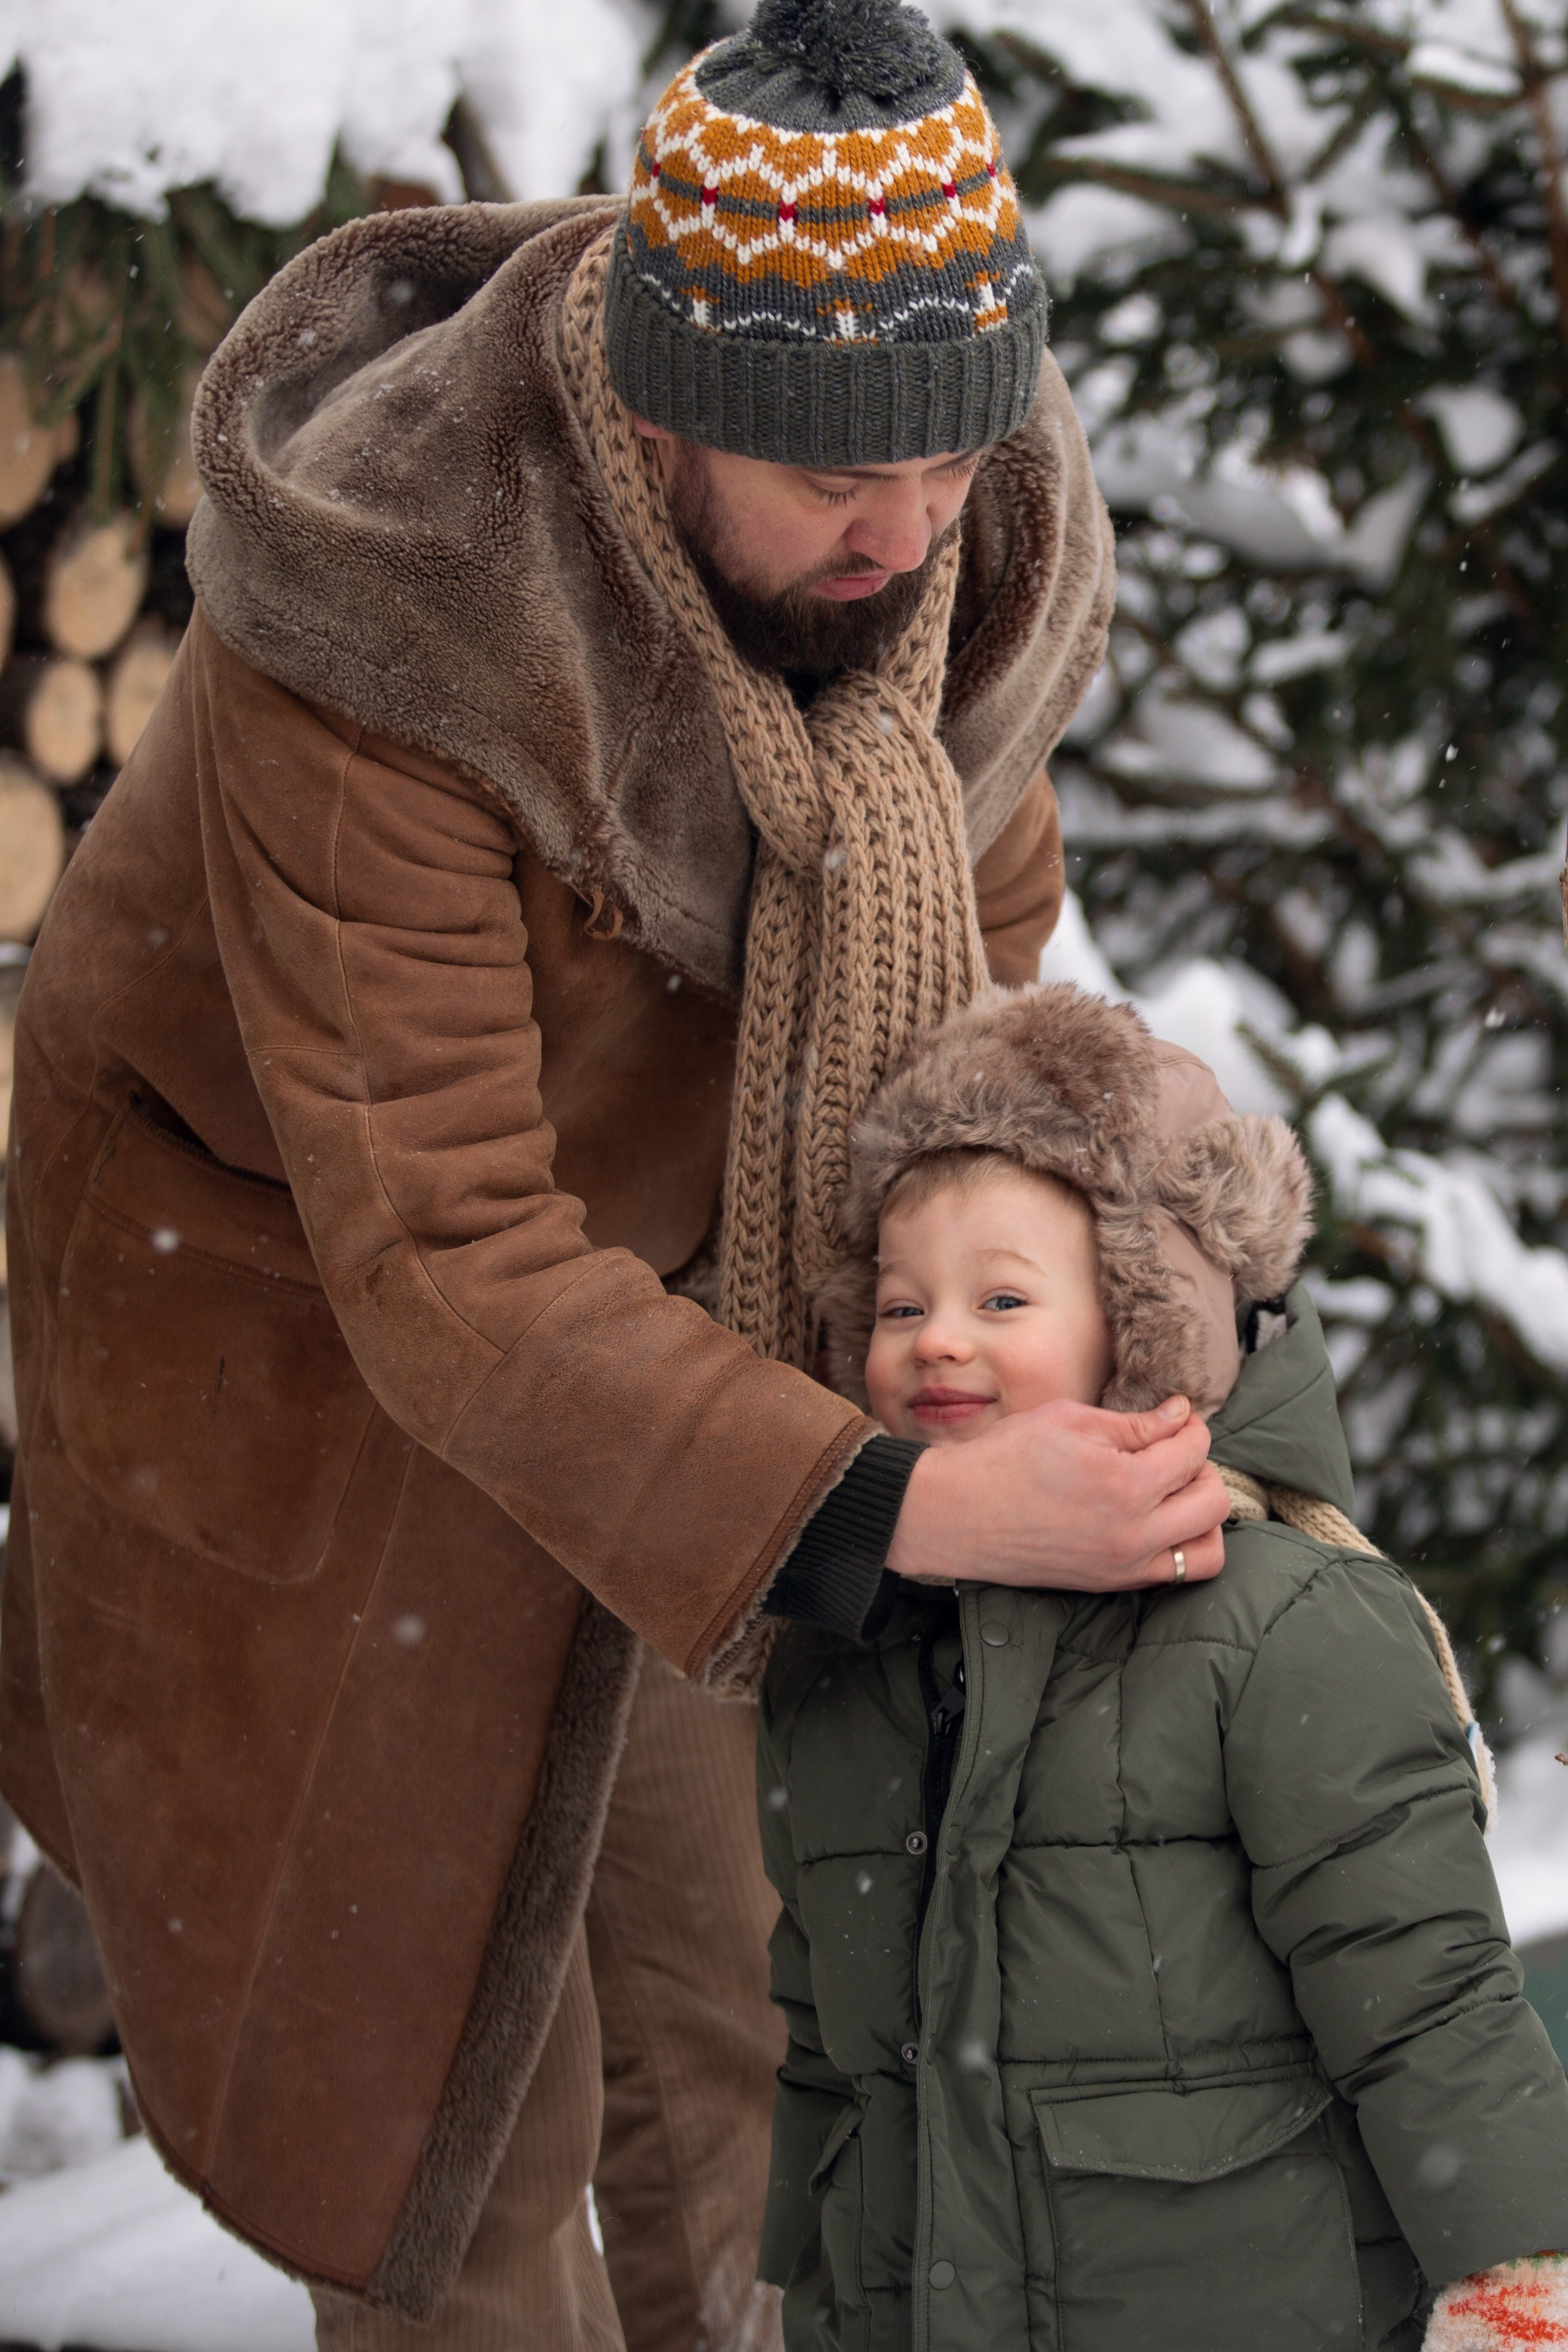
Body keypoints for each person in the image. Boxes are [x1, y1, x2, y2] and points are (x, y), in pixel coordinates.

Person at [0, 4, 1234, 2346]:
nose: (907, 538)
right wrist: (896, 1506)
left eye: (948, 466)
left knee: (759, 2022)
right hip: (291, 1317)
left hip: (692, 1313)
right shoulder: (397, 623)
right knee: (453, 2120)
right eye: (836, 486)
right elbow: (439, 1247)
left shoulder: (949, 532)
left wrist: (1103, 1321)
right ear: (666, 415)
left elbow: (971, 1017)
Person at [756, 979, 1568, 2351]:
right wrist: (807, 2281)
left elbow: (1420, 1990)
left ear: (1144, 1321)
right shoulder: (846, 1658)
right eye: (900, 1307)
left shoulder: (1275, 1621)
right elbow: (820, 2042)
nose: (937, 1338)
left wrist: (1516, 2276)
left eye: (1000, 1297)